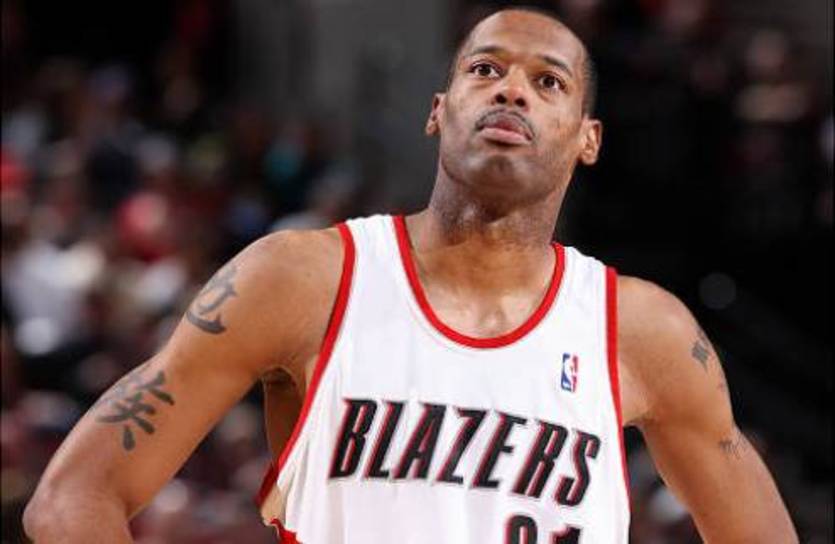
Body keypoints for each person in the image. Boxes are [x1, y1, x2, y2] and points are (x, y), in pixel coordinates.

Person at [23, 8, 797, 543]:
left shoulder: (641, 332)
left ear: (586, 139)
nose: (511, 90)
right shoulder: (303, 280)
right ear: (438, 110)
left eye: (548, 82)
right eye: (485, 69)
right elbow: (70, 498)